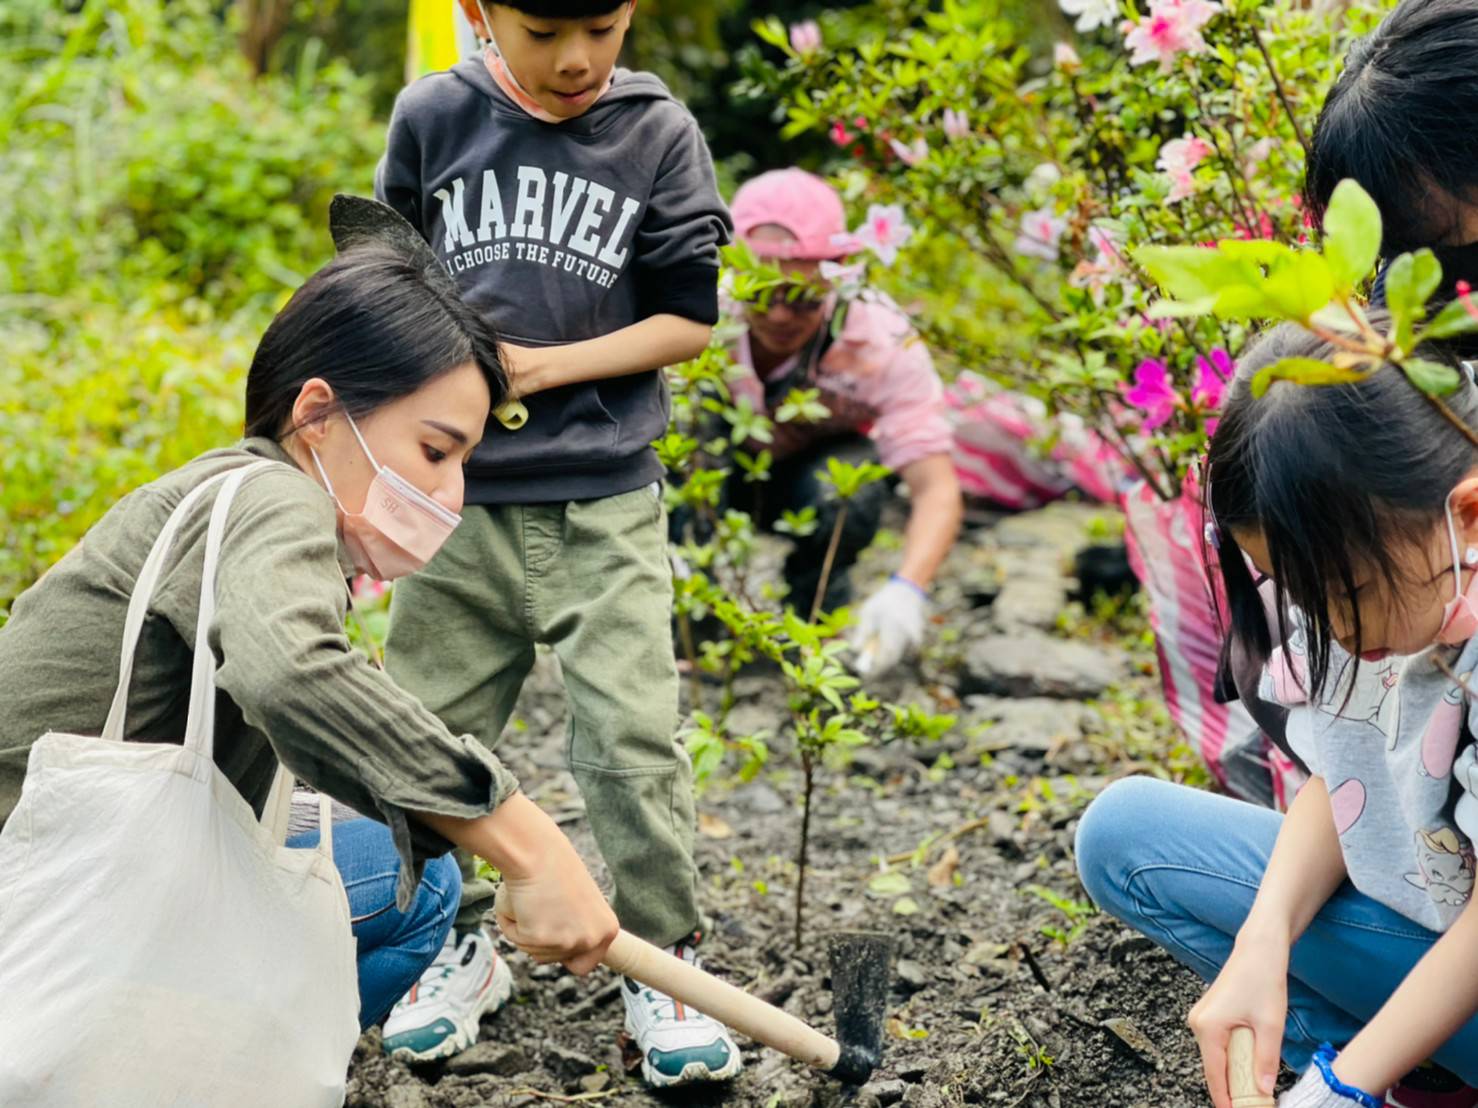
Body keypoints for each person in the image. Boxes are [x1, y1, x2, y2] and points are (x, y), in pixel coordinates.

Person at [0, 217, 619, 1042]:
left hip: (57, 864)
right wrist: (525, 840)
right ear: (318, 412)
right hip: (44, 900)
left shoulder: (222, 492)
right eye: (437, 450)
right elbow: (293, 672)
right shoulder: (272, 498)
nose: (454, 493)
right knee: (423, 886)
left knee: (369, 840)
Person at [372, 0, 741, 1083]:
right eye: (543, 32)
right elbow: (386, 286)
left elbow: (689, 317)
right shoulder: (432, 119)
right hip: (455, 506)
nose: (578, 59)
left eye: (604, 26)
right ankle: (453, 946)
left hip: (603, 500)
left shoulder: (655, 131)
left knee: (631, 742)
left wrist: (536, 367)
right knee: (427, 737)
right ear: (480, 12)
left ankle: (663, 962)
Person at [1076, 322, 1478, 1108]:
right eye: (1301, 592)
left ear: (1468, 515)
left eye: (1347, 595)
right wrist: (1260, 946)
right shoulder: (1399, 552)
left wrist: (1342, 1085)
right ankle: (1418, 1079)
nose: (1335, 628)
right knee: (1125, 835)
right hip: (1436, 927)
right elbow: (1355, 775)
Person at [718, 168, 963, 678]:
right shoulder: (698, 311)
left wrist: (907, 589)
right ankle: (689, 630)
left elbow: (936, 487)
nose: (781, 317)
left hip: (806, 482)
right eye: (762, 296)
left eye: (802, 298)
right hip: (715, 469)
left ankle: (815, 618)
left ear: (838, 273)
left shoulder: (883, 340)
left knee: (854, 481)